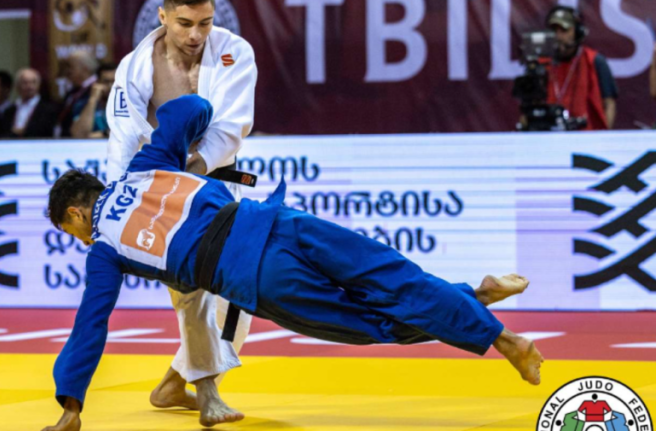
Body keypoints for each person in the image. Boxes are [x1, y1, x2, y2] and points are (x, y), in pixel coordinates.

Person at [41, 95, 544, 431]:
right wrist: (188, 152)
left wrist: (71, 402)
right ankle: (490, 319)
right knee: (393, 275)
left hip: (256, 274)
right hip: (279, 220)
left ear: (76, 212)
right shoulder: (145, 167)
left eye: (73, 231)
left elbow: (91, 324)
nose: (81, 239)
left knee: (369, 322)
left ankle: (480, 311)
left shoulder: (105, 248)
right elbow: (192, 107)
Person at [103, 0, 256, 424]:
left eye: (205, 23)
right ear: (163, 16)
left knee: (237, 299)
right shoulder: (135, 67)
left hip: (213, 180)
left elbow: (231, 127)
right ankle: (208, 396)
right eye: (185, 23)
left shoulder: (234, 51)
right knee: (193, 292)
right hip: (157, 190)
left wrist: (188, 171)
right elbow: (123, 137)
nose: (195, 35)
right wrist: (116, 202)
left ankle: (174, 383)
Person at [545, 6, 618, 130]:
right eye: (555, 31)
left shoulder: (594, 61)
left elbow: (609, 103)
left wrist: (605, 136)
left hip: (587, 138)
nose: (558, 36)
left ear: (578, 32)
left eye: (564, 30)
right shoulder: (544, 64)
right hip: (548, 137)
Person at [3, 68, 58, 138]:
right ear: (17, 86)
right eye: (25, 83)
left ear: (39, 85)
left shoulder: (49, 109)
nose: (30, 86)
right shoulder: (9, 110)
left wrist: (22, 131)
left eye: (33, 82)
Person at [55, 51, 98, 138]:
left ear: (85, 68)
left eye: (70, 66)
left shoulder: (96, 89)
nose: (67, 71)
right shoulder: (72, 91)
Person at [70, 63, 116, 139]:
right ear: (97, 83)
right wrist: (93, 99)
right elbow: (79, 135)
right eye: (106, 82)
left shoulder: (130, 103)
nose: (111, 86)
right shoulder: (82, 104)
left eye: (114, 81)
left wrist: (98, 135)